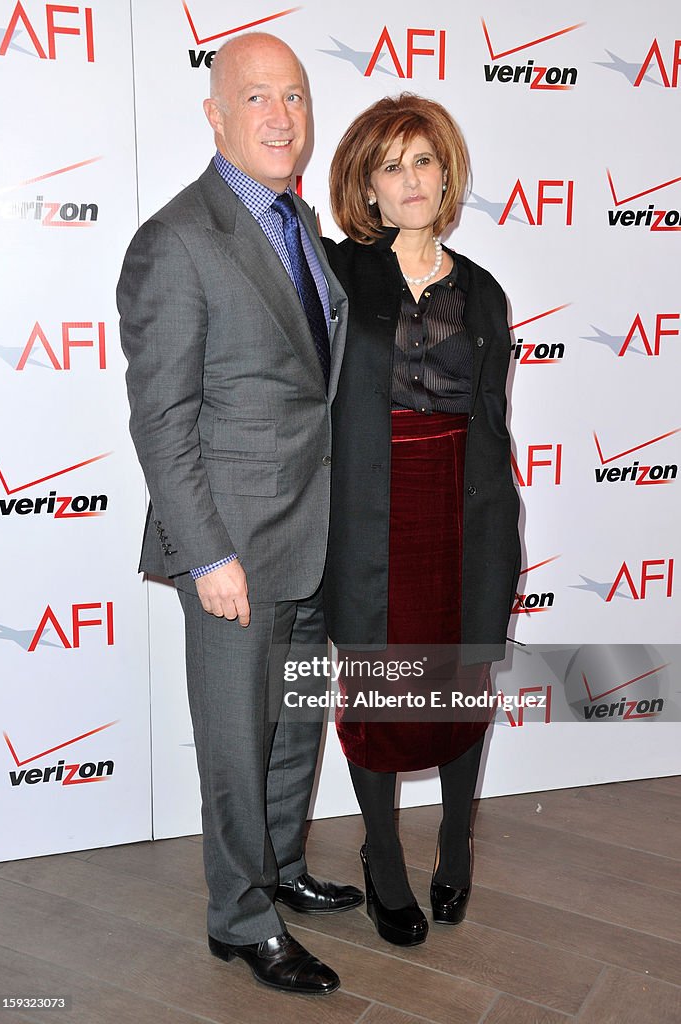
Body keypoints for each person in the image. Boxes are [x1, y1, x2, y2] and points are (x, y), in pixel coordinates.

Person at [117, 32, 362, 996]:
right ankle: (239, 916)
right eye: (256, 97)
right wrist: (206, 550)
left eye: (295, 97)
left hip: (309, 535)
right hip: (231, 550)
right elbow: (163, 417)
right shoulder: (178, 240)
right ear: (214, 115)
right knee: (233, 737)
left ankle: (282, 868)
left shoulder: (298, 223)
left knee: (294, 725)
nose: (280, 115)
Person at [322, 94, 521, 946]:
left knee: (461, 683)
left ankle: (453, 841)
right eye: (390, 165)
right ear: (367, 186)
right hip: (369, 515)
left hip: (464, 514)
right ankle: (383, 856)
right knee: (376, 691)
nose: (410, 179)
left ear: (447, 175)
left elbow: (492, 422)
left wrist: (503, 529)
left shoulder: (483, 292)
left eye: (424, 161)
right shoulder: (336, 274)